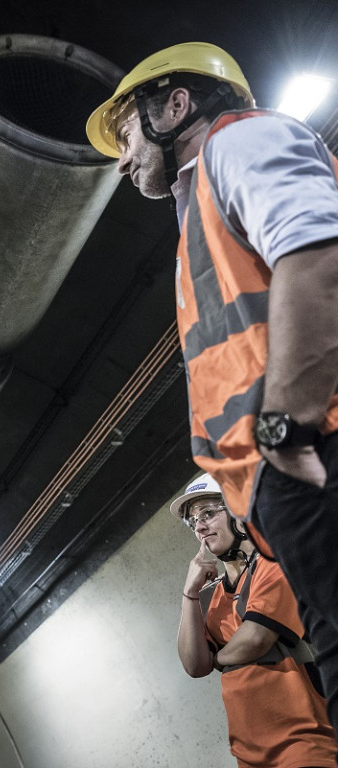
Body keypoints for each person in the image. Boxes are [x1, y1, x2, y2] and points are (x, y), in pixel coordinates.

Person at [86, 42, 338, 730]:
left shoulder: (240, 140)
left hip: (315, 452)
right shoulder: (195, 218)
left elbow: (319, 252)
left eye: (128, 131)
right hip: (287, 489)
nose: (122, 155)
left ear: (176, 105)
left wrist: (286, 425)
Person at [172, 473, 335, 767]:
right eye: (193, 520)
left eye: (208, 513)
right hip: (248, 754)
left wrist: (218, 660)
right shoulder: (209, 596)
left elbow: (255, 640)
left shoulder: (274, 563)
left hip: (305, 744)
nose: (200, 526)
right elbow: (195, 666)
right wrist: (190, 593)